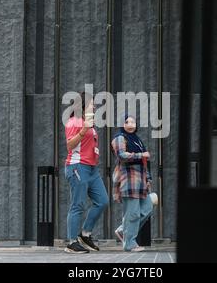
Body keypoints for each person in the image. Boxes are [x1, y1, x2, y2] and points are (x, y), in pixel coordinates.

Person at [64, 92, 109, 254]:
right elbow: (69, 145)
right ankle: (72, 242)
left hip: (91, 169)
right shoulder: (74, 121)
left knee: (103, 201)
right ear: (82, 105)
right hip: (77, 166)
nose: (95, 106)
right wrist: (83, 130)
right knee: (78, 205)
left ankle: (85, 234)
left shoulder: (88, 122)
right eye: (92, 103)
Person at [111, 115, 153, 252]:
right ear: (122, 124)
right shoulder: (119, 137)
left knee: (147, 208)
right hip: (128, 178)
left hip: (140, 179)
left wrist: (148, 179)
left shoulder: (137, 140)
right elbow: (121, 156)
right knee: (133, 213)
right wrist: (141, 155)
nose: (130, 124)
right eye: (127, 121)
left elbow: (145, 162)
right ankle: (129, 243)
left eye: (133, 121)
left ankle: (123, 230)